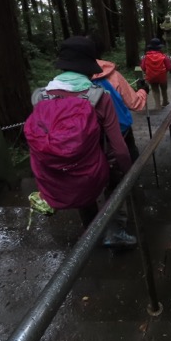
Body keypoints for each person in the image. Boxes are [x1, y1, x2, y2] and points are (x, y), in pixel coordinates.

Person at [29, 36, 137, 248]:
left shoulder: (41, 96)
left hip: (63, 168)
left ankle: (91, 234)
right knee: (113, 182)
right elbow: (119, 148)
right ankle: (115, 233)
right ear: (89, 67)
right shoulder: (99, 96)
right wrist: (128, 171)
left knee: (81, 182)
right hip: (97, 166)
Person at [90, 35, 150, 161]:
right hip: (120, 131)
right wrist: (143, 91)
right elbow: (134, 103)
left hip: (92, 136)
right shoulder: (112, 76)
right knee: (130, 157)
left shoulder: (71, 82)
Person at [140, 38, 171, 108]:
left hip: (151, 76)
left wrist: (148, 71)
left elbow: (143, 67)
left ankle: (158, 105)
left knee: (155, 90)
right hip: (162, 76)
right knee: (164, 89)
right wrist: (165, 71)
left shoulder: (146, 57)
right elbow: (169, 67)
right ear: (159, 47)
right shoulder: (164, 56)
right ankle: (165, 101)